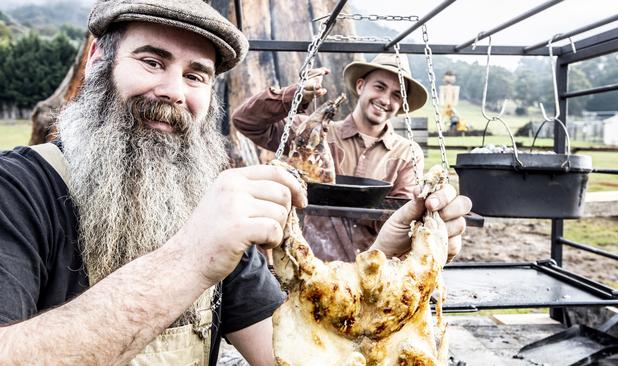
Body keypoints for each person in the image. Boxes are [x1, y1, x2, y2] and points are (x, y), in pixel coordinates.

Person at [0, 0, 470, 365]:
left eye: (196, 75)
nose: (173, 92)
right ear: (101, 59)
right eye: (152, 61)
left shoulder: (206, 210)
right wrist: (189, 261)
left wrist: (390, 262)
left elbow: (299, 352)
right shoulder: (18, 189)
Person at [233, 54, 471, 262]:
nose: (386, 100)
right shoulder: (313, 132)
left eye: (397, 95)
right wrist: (294, 95)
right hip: (305, 262)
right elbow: (246, 121)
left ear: (402, 105)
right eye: (379, 87)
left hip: (369, 269)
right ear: (360, 86)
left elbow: (402, 215)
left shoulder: (406, 153)